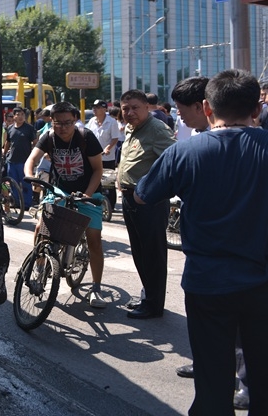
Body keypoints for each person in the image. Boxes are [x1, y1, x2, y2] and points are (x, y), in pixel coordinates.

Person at [135, 69, 267, 415]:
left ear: (207, 108)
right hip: (262, 282)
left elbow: (143, 194)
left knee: (212, 381)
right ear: (257, 109)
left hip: (207, 283)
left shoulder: (185, 152)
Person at [25, 101, 106, 307]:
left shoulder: (86, 137)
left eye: (67, 122)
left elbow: (98, 170)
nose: (62, 127)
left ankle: (96, 288)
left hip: (88, 193)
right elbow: (32, 159)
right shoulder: (49, 137)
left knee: (94, 240)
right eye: (58, 123)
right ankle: (40, 269)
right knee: (41, 229)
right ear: (51, 122)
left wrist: (87, 195)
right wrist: (30, 176)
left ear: (75, 120)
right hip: (59, 191)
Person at [117, 90, 176, 319]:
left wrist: (155, 189)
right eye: (125, 109)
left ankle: (153, 305)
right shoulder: (131, 128)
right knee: (140, 251)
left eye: (135, 108)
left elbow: (173, 162)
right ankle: (148, 296)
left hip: (149, 200)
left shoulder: (157, 129)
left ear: (146, 107)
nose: (130, 113)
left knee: (152, 254)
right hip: (129, 198)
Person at [86, 99, 120, 209]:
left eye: (97, 107)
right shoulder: (92, 121)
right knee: (95, 180)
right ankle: (96, 202)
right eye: (94, 107)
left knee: (109, 183)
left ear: (104, 109)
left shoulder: (112, 122)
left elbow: (115, 138)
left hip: (107, 157)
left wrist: (108, 148)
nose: (94, 109)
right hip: (93, 157)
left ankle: (111, 205)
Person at [3, 106, 38, 210]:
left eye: (22, 114)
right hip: (11, 161)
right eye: (18, 114)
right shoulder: (10, 128)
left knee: (26, 184)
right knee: (13, 184)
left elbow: (35, 143)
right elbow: (8, 143)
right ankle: (16, 202)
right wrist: (4, 154)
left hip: (24, 162)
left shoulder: (29, 128)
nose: (21, 117)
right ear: (14, 116)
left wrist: (34, 158)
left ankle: (26, 204)